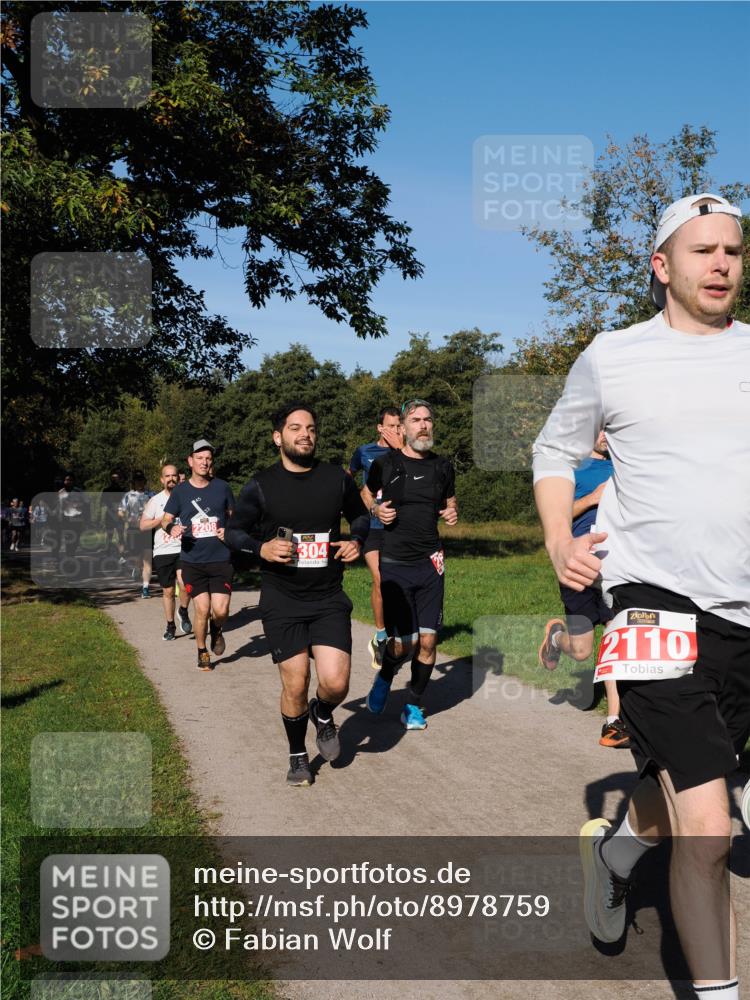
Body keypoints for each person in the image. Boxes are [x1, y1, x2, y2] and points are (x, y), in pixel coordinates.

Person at [532, 193, 749, 999]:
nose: (722, 262)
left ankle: (617, 852)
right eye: (702, 251)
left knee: (696, 781)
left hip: (742, 612)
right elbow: (555, 451)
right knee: (711, 829)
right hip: (649, 601)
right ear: (662, 266)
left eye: (733, 249)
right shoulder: (613, 355)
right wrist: (561, 538)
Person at [225, 401, 369, 787]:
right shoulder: (260, 485)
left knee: (337, 683)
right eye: (295, 428)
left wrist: (356, 539)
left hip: (327, 596)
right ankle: (297, 755)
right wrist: (262, 549)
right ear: (278, 437)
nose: (305, 434)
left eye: (310, 428)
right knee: (295, 681)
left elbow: (359, 515)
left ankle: (322, 713)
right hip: (282, 598)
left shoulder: (335, 479)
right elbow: (234, 531)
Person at [363, 399, 458, 731]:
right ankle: (387, 673)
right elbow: (365, 492)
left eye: (428, 419)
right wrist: (376, 511)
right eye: (416, 420)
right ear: (402, 427)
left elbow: (449, 502)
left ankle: (413, 704)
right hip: (395, 561)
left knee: (429, 641)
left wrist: (451, 512)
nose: (423, 425)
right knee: (405, 643)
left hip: (430, 562)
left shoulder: (443, 467)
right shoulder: (386, 464)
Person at [538, 430, 631, 749]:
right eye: (600, 429)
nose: (606, 436)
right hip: (576, 563)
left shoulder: (621, 466)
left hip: (613, 566)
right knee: (581, 651)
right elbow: (554, 518)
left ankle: (614, 720)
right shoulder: (567, 469)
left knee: (615, 635)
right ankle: (556, 638)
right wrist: (593, 498)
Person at [161, 440, 234, 671]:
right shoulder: (181, 492)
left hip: (221, 559)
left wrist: (229, 530)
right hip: (193, 561)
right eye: (200, 458)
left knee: (220, 610)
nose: (204, 462)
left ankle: (217, 629)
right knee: (202, 608)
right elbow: (165, 519)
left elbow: (235, 518)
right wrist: (170, 528)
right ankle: (202, 651)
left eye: (208, 458)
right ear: (190, 461)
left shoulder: (222, 487)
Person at [348, 407, 404, 668]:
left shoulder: (406, 454)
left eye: (399, 426)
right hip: (371, 526)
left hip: (398, 527)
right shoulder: (364, 452)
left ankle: (396, 630)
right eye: (391, 426)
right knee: (380, 578)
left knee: (397, 581)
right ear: (380, 428)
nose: (396, 430)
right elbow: (349, 480)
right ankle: (380, 636)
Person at [140, 464, 192, 640]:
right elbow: (143, 525)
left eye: (174, 475)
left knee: (185, 584)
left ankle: (183, 610)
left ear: (179, 477)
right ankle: (170, 626)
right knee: (168, 591)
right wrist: (160, 520)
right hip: (163, 551)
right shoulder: (155, 501)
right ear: (162, 480)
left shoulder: (187, 497)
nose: (171, 479)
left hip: (184, 548)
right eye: (167, 476)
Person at [119, 472, 155, 598]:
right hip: (133, 530)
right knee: (137, 558)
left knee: (148, 560)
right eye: (137, 480)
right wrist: (128, 519)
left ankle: (145, 588)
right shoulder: (128, 496)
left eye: (141, 480)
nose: (140, 482)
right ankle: (136, 567)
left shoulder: (152, 495)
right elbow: (121, 512)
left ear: (145, 481)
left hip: (147, 530)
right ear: (133, 482)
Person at [57, 473, 90, 556]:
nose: (68, 482)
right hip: (66, 518)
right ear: (64, 481)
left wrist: (86, 516)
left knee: (76, 539)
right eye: (66, 480)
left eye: (70, 480)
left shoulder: (79, 491)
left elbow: (87, 503)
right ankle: (69, 556)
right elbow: (59, 507)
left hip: (77, 518)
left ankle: (72, 553)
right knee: (68, 538)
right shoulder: (60, 493)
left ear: (74, 481)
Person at [100, 470, 126, 563]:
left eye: (116, 478)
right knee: (109, 535)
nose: (114, 479)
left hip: (119, 516)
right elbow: (102, 504)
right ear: (110, 479)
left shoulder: (123, 490)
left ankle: (121, 556)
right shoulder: (106, 490)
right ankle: (108, 553)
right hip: (109, 516)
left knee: (120, 536)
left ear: (119, 479)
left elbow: (126, 503)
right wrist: (102, 517)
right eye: (113, 478)